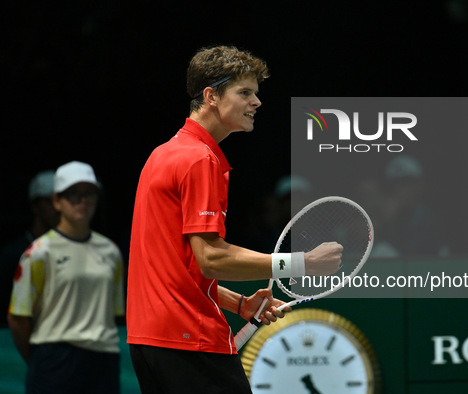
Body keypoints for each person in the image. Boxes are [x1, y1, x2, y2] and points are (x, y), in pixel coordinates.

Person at [127, 45, 342, 393]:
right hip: (189, 338)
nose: (257, 102)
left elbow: (175, 266)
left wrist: (238, 303)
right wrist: (303, 263)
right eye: (245, 92)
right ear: (211, 96)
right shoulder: (199, 160)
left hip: (149, 341)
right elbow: (211, 258)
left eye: (256, 93)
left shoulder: (163, 154)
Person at [7, 161, 124, 393]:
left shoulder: (111, 252)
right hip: (55, 360)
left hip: (104, 360)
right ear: (56, 201)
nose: (83, 201)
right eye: (73, 194)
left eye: (89, 193)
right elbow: (18, 318)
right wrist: (43, 361)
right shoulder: (39, 252)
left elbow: (114, 311)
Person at [1, 170, 59, 326]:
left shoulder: (76, 248)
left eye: (61, 199)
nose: (57, 207)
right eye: (50, 201)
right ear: (35, 205)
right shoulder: (12, 254)